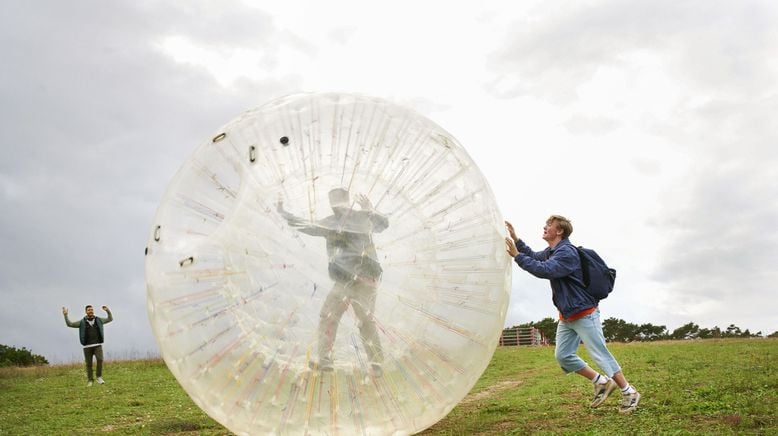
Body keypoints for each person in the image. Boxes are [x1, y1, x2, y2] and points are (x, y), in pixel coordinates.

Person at [504, 215, 640, 414]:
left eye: (548, 225)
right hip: (567, 316)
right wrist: (517, 240)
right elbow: (534, 256)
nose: (544, 227)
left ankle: (629, 392)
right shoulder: (553, 251)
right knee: (563, 356)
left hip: (584, 314)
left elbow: (545, 269)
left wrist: (517, 256)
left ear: (559, 231)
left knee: (600, 354)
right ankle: (601, 382)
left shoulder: (566, 253)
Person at [277, 188, 389, 374]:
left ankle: (374, 364)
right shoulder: (332, 222)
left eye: (336, 201)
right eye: (333, 201)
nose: (335, 205)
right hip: (346, 280)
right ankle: (326, 361)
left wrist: (370, 210)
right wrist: (282, 212)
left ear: (343, 200)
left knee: (363, 320)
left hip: (364, 278)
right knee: (330, 316)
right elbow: (304, 225)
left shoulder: (361, 217)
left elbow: (383, 225)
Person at [63, 305, 113, 386]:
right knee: (88, 364)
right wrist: (65, 315)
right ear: (86, 312)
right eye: (89, 310)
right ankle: (90, 380)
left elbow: (110, 319)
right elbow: (70, 324)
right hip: (87, 347)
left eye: (92, 310)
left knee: (100, 360)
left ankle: (99, 377)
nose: (91, 311)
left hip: (98, 345)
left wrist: (107, 310)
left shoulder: (99, 320)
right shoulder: (82, 322)